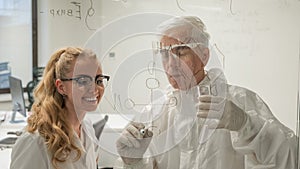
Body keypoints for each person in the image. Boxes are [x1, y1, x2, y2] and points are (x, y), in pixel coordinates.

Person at [115, 16, 297, 169]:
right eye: (164, 54)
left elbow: (290, 155)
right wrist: (133, 162)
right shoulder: (156, 111)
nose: (170, 64)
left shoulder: (240, 101)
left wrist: (245, 125)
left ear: (204, 55)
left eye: (180, 51)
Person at [10, 47, 110, 169]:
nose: (94, 89)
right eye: (83, 81)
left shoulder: (87, 129)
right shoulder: (35, 141)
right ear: (61, 87)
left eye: (99, 80)